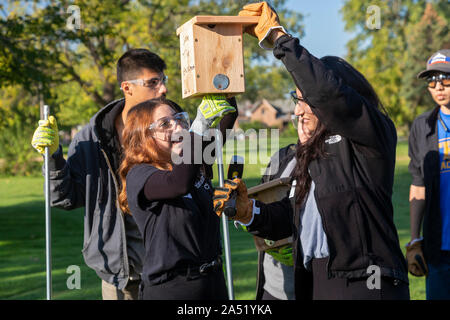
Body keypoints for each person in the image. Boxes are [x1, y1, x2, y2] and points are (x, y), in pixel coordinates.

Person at [213, 1, 410, 300]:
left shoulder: (369, 134)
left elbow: (328, 94)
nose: (299, 111)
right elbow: (294, 220)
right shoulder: (308, 155)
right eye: (297, 100)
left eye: (309, 102)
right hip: (318, 281)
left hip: (367, 282)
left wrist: (279, 39)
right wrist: (248, 212)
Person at [31, 49, 170, 299]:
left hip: (173, 270)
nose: (163, 90)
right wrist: (52, 157)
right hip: (121, 276)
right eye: (153, 83)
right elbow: (65, 198)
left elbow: (196, 182)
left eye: (163, 81)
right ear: (127, 87)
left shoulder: (173, 127)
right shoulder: (91, 138)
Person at [118, 96, 236, 300]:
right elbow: (178, 183)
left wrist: (224, 90)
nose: (178, 127)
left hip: (213, 282)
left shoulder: (193, 161)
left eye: (179, 119)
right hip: (172, 288)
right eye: (165, 124)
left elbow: (228, 117)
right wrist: (198, 127)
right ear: (144, 137)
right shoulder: (140, 174)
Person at [406, 49, 450, 300]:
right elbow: (418, 184)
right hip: (437, 246)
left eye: (445, 78)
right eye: (432, 80)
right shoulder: (422, 126)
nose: (438, 86)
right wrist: (414, 239)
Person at [255, 144, 296, 300]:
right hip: (275, 286)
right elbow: (260, 202)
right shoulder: (283, 156)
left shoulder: (335, 160)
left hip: (318, 286)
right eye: (298, 119)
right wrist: (267, 242)